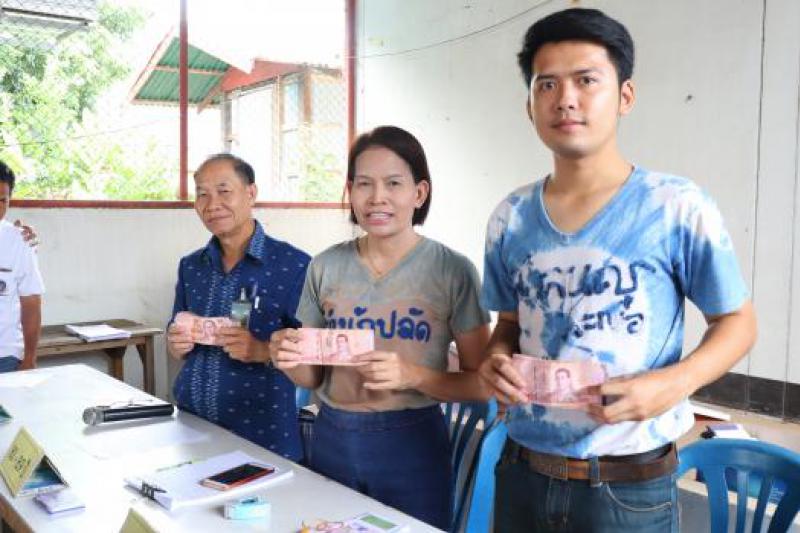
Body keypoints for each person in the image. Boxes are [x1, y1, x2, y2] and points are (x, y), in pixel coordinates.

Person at [478, 8, 757, 533]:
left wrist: (673, 384)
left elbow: (738, 322)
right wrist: (495, 358)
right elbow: (509, 325)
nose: (565, 98)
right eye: (547, 84)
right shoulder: (509, 217)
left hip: (630, 487)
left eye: (586, 80)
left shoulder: (675, 207)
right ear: (529, 104)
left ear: (625, 96)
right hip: (522, 471)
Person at [270, 126, 490, 529]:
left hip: (413, 446)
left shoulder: (452, 271)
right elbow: (312, 376)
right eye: (364, 184)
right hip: (333, 438)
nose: (377, 198)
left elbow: (481, 384)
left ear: (419, 193)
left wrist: (413, 375)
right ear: (350, 191)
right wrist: (286, 357)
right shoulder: (325, 266)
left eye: (393, 183)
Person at [166, 153, 310, 460]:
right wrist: (175, 342)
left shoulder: (294, 265)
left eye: (224, 191)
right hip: (191, 425)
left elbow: (313, 352)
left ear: (251, 193)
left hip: (263, 436)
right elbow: (175, 330)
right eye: (202, 194)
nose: (212, 204)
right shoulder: (191, 266)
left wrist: (262, 350)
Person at [0, 161, 44, 373]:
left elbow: (31, 301)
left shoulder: (20, 241)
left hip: (5, 356)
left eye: (3, 200)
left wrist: (29, 359)